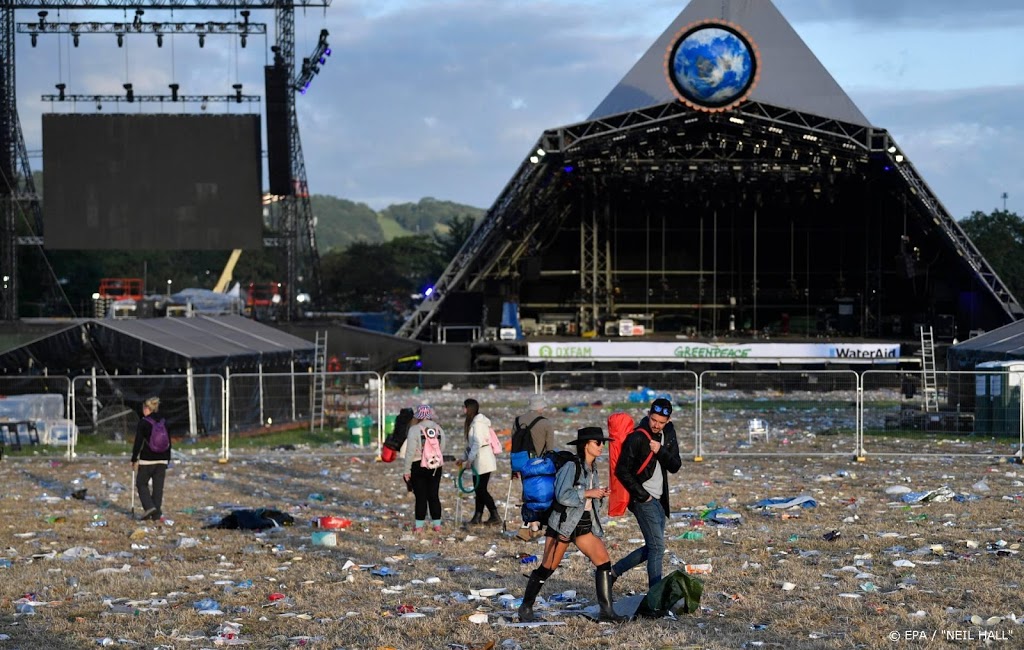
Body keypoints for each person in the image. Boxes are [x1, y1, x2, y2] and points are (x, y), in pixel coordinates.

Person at [518, 427, 627, 623]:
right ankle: (525, 607)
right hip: (563, 524)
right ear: (586, 445)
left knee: (604, 562)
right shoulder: (571, 466)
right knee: (547, 567)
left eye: (603, 443)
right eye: (598, 442)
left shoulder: (593, 468)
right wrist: (588, 493)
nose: (602, 446)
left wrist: (600, 495)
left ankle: (607, 612)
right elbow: (562, 495)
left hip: (584, 523)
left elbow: (591, 500)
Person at [611, 398, 682, 590]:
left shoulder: (668, 433)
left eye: (661, 422)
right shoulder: (638, 437)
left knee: (653, 547)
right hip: (643, 499)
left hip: (660, 499)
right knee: (658, 547)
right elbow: (622, 471)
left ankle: (613, 573)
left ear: (668, 421)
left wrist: (660, 451)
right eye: (653, 420)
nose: (656, 425)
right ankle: (655, 595)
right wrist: (642, 495)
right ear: (648, 415)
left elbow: (675, 465)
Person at [514, 394, 556, 540]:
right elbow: (550, 448)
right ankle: (541, 525)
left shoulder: (518, 420)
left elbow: (515, 445)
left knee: (528, 495)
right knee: (544, 495)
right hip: (541, 465)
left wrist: (514, 467)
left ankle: (530, 526)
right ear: (540, 407)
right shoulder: (546, 423)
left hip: (523, 463)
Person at [402, 404, 447, 533]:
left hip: (418, 465)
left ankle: (419, 527)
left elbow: (409, 452)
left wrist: (406, 470)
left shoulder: (414, 429)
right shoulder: (439, 429)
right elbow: (441, 448)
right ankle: (437, 525)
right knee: (434, 496)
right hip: (435, 466)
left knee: (421, 497)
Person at [459, 398, 499, 525]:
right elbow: (471, 445)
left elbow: (478, 443)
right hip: (479, 459)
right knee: (478, 489)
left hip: (483, 459)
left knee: (481, 489)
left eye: (464, 407)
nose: (463, 409)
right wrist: (464, 458)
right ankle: (477, 516)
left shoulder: (478, 424)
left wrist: (469, 460)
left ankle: (494, 515)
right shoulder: (473, 423)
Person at [131, 396, 171, 521]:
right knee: (158, 487)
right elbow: (169, 441)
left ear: (147, 408)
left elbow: (138, 442)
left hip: (147, 459)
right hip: (162, 459)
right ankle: (156, 514)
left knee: (141, 483)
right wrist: (168, 458)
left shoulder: (144, 422)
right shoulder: (164, 421)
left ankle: (149, 506)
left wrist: (134, 458)